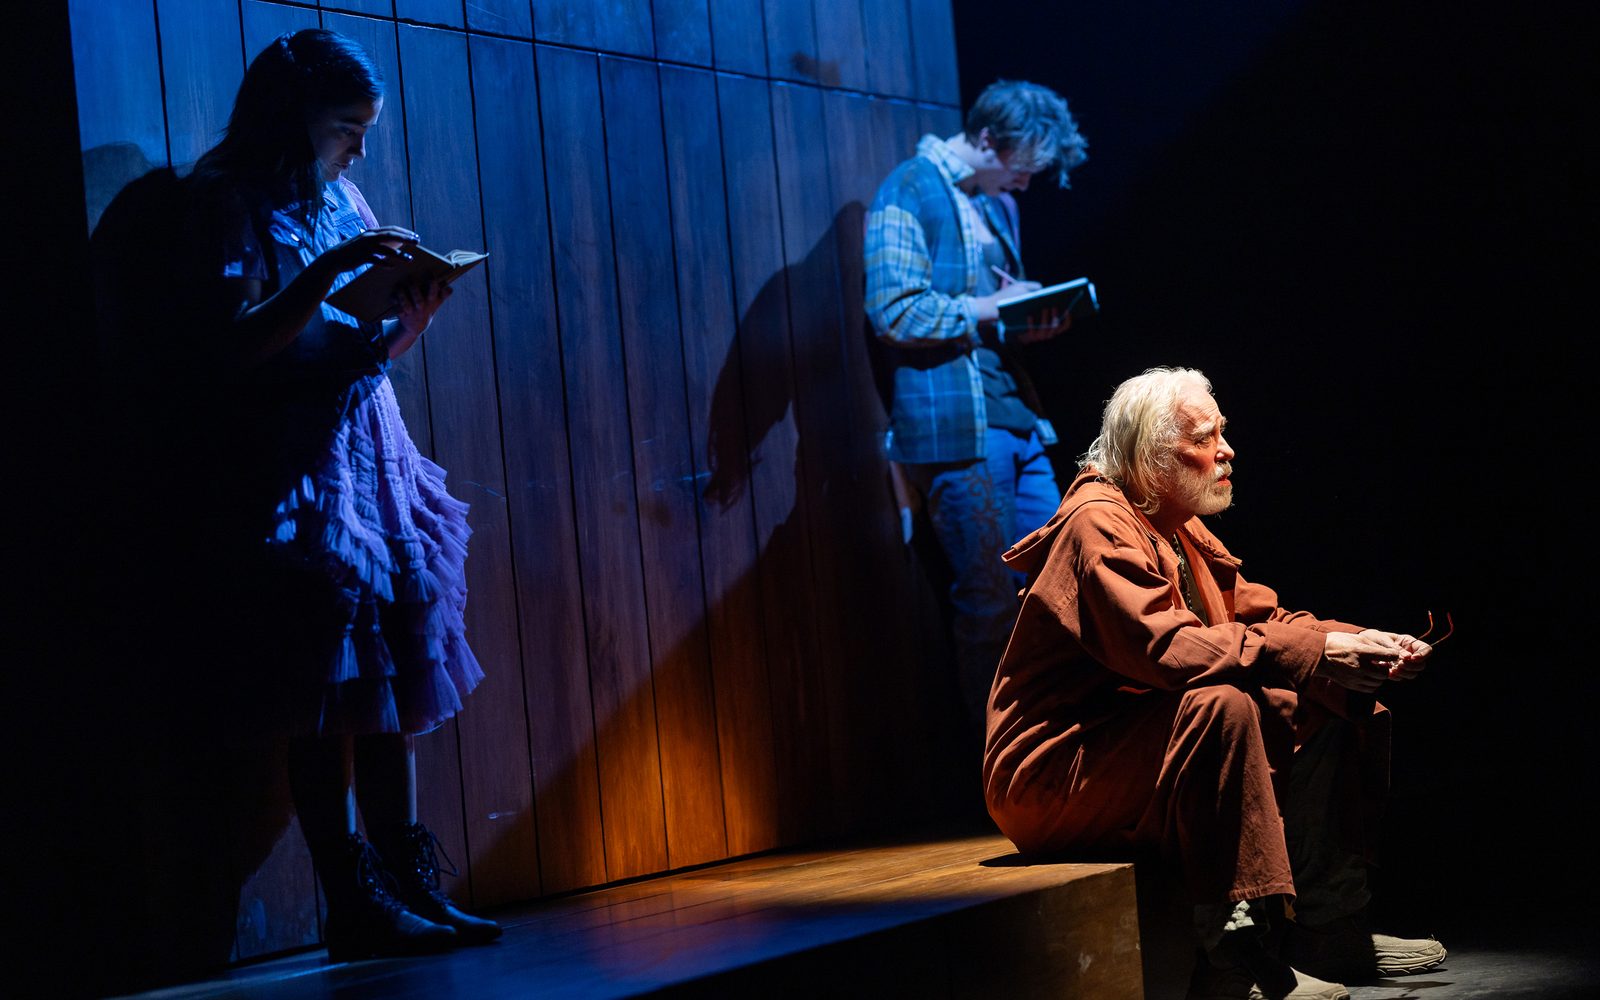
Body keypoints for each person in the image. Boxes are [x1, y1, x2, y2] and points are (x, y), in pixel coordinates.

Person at [178, 29, 500, 960]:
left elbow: (358, 348)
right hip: (299, 465)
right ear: (293, 119)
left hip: (368, 445)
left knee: (395, 671)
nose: (358, 149)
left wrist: (412, 316)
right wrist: (328, 272)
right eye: (345, 128)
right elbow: (234, 346)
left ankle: (410, 881)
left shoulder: (345, 197)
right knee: (330, 683)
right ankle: (352, 897)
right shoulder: (230, 203)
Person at [982, 367, 1447, 1000]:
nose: (1226, 451)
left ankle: (1329, 928)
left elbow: (1269, 623)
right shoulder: (1098, 524)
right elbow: (1165, 650)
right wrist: (1315, 650)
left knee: (1318, 689)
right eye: (1203, 438)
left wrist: (1358, 644)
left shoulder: (1175, 524)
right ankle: (1237, 961)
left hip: (1127, 747)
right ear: (1149, 457)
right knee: (1221, 708)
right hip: (1052, 771)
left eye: (1222, 433)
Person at [863, 79, 1089, 737]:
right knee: (991, 603)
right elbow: (893, 309)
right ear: (987, 139)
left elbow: (991, 309)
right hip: (959, 429)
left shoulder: (995, 204)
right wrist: (988, 309)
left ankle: (1064, 755)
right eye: (1019, 170)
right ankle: (1005, 770)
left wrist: (1026, 314)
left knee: (1058, 594)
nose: (1022, 186)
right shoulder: (910, 189)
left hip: (1018, 417)